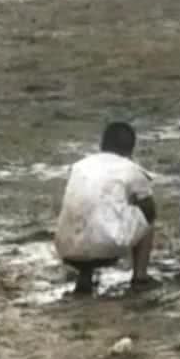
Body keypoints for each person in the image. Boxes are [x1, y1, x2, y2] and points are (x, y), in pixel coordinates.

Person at [54, 121, 156, 294]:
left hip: (66, 247)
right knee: (147, 218)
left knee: (87, 212)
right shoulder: (132, 169)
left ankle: (84, 276)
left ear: (102, 144)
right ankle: (140, 276)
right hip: (106, 247)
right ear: (131, 149)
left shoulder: (79, 166)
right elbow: (150, 211)